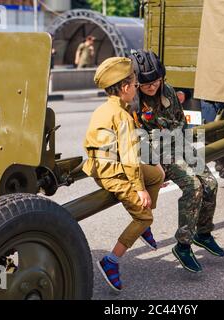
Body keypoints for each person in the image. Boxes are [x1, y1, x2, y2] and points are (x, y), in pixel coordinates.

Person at [129, 49, 224, 274]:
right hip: (160, 154)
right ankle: (183, 245)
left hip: (180, 145)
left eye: (156, 81)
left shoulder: (168, 91)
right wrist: (154, 168)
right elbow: (137, 139)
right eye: (146, 84)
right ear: (136, 83)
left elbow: (181, 121)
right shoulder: (134, 104)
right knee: (194, 187)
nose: (152, 87)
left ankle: (203, 233)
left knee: (211, 184)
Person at [83, 57, 165, 292]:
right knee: (144, 216)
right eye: (135, 83)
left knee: (157, 176)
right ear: (125, 88)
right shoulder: (122, 116)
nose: (137, 87)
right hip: (113, 173)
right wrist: (139, 189)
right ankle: (111, 261)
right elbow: (129, 156)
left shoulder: (106, 108)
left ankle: (142, 227)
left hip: (107, 167)